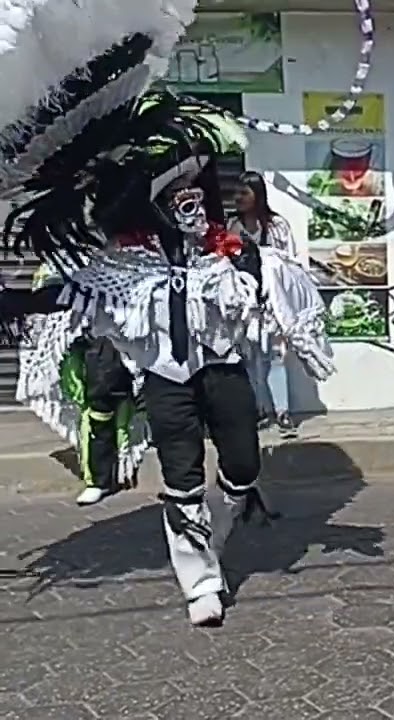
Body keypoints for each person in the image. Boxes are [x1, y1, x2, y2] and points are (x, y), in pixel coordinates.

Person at [0, 21, 336, 626]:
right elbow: (69, 298)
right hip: (166, 379)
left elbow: (280, 281)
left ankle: (228, 519)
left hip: (224, 371)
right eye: (175, 189)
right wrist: (14, 305)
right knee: (181, 476)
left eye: (195, 187)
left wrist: (281, 287)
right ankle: (200, 581)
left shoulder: (225, 253)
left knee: (242, 465)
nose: (190, 199)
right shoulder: (122, 266)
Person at [17, 261, 149, 505]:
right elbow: (50, 288)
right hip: (89, 334)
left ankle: (117, 468)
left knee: (122, 400)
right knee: (95, 401)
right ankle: (100, 477)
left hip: (128, 330)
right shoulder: (66, 251)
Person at [228, 171, 299, 438]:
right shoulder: (232, 226)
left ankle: (282, 412)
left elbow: (290, 263)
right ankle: (259, 411)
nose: (238, 198)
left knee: (277, 358)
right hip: (245, 305)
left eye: (244, 193)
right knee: (250, 359)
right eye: (236, 193)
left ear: (257, 196)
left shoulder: (278, 226)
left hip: (273, 303)